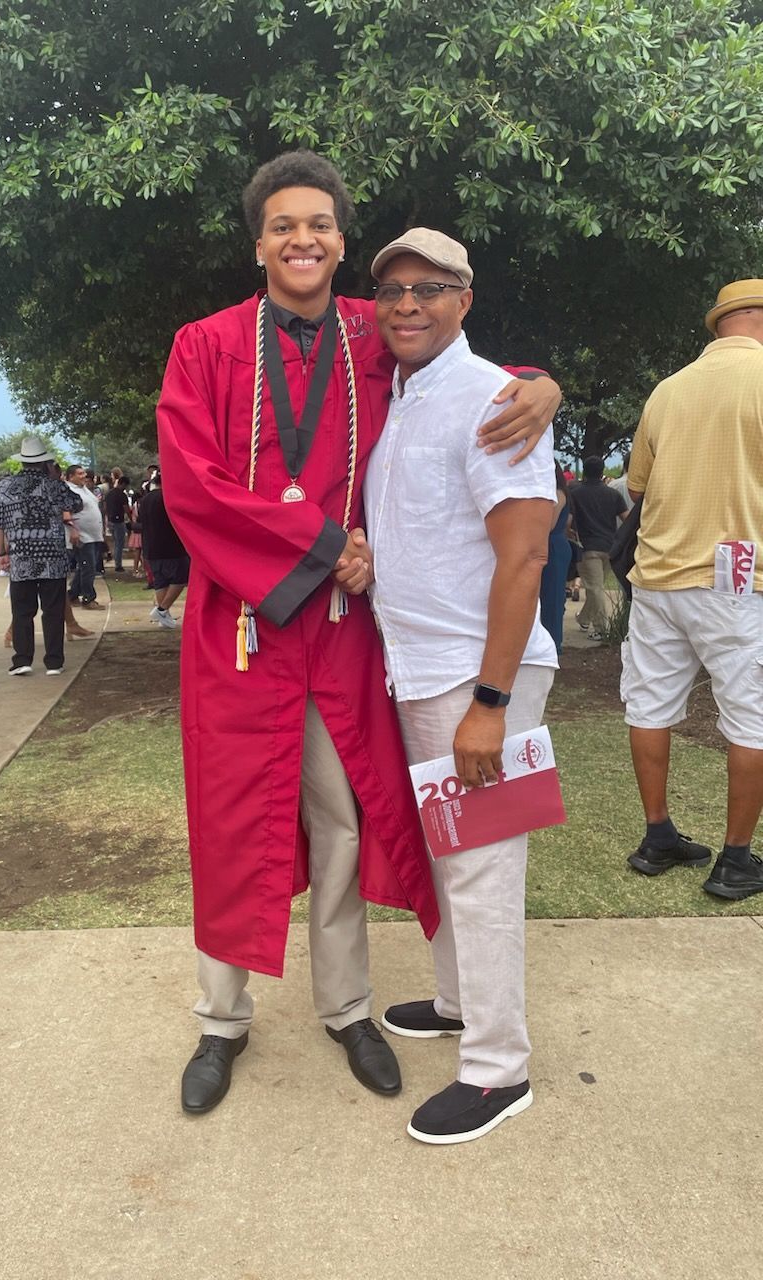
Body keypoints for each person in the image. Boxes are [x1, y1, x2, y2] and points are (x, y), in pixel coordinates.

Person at [156, 150, 561, 1116]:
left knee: (343, 819)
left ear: (341, 239)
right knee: (228, 819)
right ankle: (222, 1020)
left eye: (321, 225)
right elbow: (191, 487)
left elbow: (465, 363)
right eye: (285, 225)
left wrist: (542, 381)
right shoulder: (204, 346)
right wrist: (321, 543)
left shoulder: (368, 332)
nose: (304, 240)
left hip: (346, 634)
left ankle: (347, 1007)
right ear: (259, 242)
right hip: (243, 624)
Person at [362, 227, 558, 1145]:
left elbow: (525, 557)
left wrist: (490, 700)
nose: (409, 302)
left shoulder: (491, 399)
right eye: (394, 288)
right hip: (422, 668)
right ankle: (456, 1000)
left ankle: (497, 1069)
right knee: (452, 854)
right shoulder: (404, 396)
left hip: (477, 675)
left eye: (430, 288)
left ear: (465, 300)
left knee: (481, 867)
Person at [623, 278, 763, 900]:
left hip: (657, 575)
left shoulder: (667, 390)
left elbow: (636, 487)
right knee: (750, 718)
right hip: (738, 577)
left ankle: (658, 836)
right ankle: (736, 859)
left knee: (649, 707)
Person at [0, 437, 83, 676]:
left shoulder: (4, 487)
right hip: (52, 556)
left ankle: (22, 659)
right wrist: (56, 477)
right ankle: (54, 661)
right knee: (52, 610)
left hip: (21, 557)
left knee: (22, 610)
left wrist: (1, 552)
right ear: (46, 462)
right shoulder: (54, 485)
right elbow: (77, 503)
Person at [567, 456, 627, 639]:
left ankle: (601, 629)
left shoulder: (575, 494)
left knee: (595, 589)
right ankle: (584, 618)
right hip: (609, 548)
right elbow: (627, 518)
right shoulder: (613, 494)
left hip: (586, 547)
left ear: (584, 471)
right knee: (596, 588)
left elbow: (568, 520)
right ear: (602, 472)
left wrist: (567, 533)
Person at [139, 474, 189, 629]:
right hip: (170, 546)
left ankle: (164, 617)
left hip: (151, 546)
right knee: (181, 577)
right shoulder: (167, 498)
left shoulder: (145, 500)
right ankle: (162, 610)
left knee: (161, 581)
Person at [539, 461, 572, 655]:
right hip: (553, 544)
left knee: (553, 597)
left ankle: (554, 643)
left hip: (553, 546)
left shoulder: (558, 493)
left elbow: (549, 524)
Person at [64, 464, 105, 611]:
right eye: (79, 474)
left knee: (85, 567)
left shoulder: (83, 489)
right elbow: (66, 512)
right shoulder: (69, 491)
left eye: (84, 473)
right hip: (82, 536)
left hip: (93, 535)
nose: (83, 476)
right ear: (70, 477)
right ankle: (88, 598)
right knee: (89, 567)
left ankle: (72, 595)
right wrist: (73, 530)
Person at [104, 473, 131, 572]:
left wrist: (107, 516)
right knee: (120, 543)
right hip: (119, 520)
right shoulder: (122, 495)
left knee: (115, 542)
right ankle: (118, 564)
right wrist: (131, 518)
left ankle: (117, 562)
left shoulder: (109, 493)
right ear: (123, 484)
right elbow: (126, 509)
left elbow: (105, 506)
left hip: (110, 520)